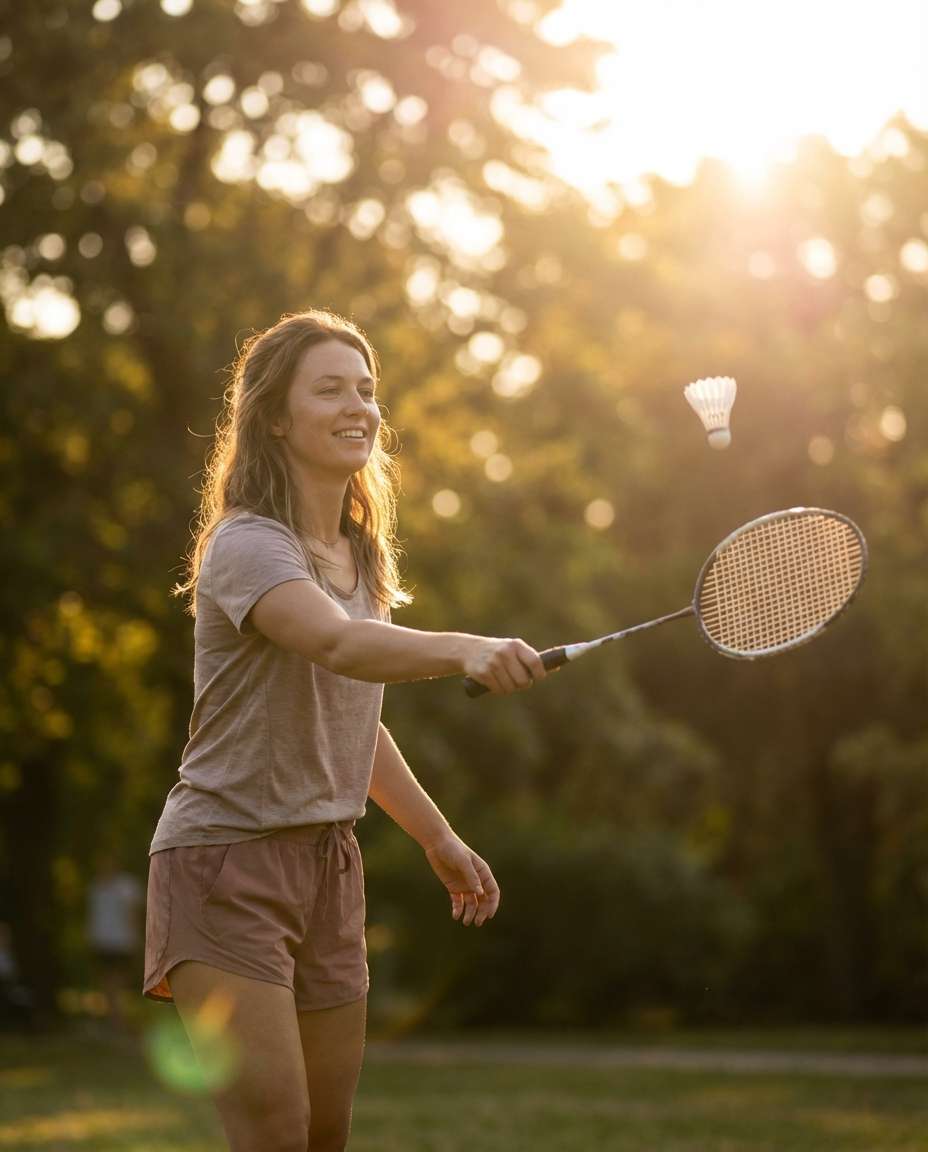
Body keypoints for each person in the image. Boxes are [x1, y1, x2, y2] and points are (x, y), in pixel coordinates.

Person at [143, 308, 545, 1152]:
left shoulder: (360, 557)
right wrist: (466, 648)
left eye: (365, 390)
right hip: (225, 860)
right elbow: (337, 645)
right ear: (275, 418)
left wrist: (437, 837)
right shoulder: (248, 545)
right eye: (329, 390)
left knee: (325, 1135)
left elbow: (351, 717)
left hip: (328, 864)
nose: (358, 406)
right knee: (276, 1134)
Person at [87, 850, 144, 1036]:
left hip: (122, 941)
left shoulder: (127, 886)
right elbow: (94, 915)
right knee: (107, 982)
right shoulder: (95, 887)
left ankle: (117, 1020)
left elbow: (134, 915)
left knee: (119, 982)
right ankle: (114, 1019)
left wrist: (136, 938)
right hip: (101, 941)